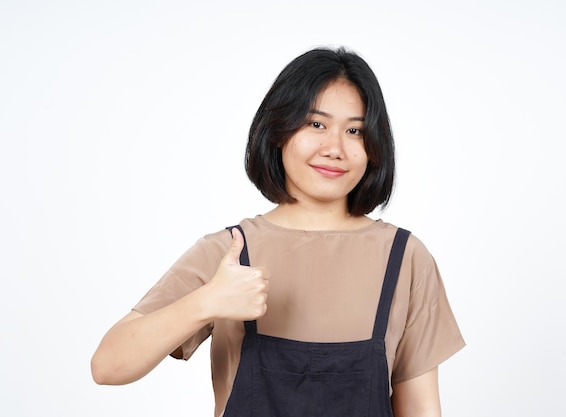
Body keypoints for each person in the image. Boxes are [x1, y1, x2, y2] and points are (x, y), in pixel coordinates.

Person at [91, 46, 465, 417]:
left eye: (355, 130)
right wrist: (206, 301)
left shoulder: (405, 257)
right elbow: (108, 366)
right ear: (279, 131)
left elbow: (421, 408)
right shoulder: (231, 252)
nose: (335, 148)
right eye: (316, 124)